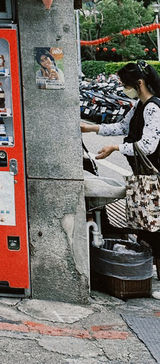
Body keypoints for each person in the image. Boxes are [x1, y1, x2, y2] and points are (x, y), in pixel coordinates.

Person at [81, 60, 160, 295]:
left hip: (154, 178)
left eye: (125, 84)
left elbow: (147, 146)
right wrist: (90, 129)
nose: (124, 88)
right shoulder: (139, 106)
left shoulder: (154, 108)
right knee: (145, 228)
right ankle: (149, 275)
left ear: (140, 82)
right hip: (143, 178)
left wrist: (114, 148)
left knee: (155, 229)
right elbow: (122, 127)